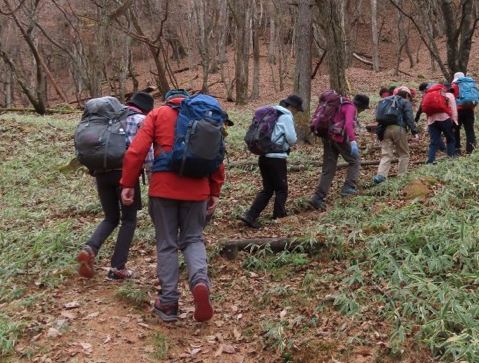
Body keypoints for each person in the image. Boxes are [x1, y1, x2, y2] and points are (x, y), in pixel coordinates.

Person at [119, 89, 225, 323]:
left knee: (166, 243)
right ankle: (199, 280)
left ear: (168, 99)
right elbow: (218, 157)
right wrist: (214, 190)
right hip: (198, 189)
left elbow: (136, 151)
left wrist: (127, 183)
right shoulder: (204, 117)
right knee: (193, 238)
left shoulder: (157, 115)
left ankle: (168, 303)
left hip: (163, 189)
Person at [76, 91, 154, 281]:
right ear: (147, 109)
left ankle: (90, 248)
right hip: (125, 175)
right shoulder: (140, 119)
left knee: (110, 217)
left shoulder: (110, 118)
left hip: (101, 173)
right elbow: (148, 152)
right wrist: (153, 180)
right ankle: (118, 267)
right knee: (128, 220)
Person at [238, 94, 303, 229]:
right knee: (281, 189)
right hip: (277, 158)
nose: (296, 112)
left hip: (264, 156)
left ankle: (250, 215)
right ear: (291, 107)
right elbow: (291, 139)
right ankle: (279, 217)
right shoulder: (286, 117)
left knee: (267, 189)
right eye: (297, 109)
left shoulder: (272, 114)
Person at [307, 93, 370, 212]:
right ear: (360, 107)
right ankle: (348, 187)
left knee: (328, 168)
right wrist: (353, 141)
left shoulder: (341, 105)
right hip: (338, 138)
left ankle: (317, 197)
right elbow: (348, 124)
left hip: (327, 137)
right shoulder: (351, 107)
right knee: (355, 161)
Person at [373, 86, 418, 184]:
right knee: (404, 153)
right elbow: (409, 117)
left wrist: (377, 133)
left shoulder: (385, 100)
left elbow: (378, 117)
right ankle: (401, 177)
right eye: (409, 97)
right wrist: (414, 131)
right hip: (399, 128)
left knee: (386, 154)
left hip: (384, 129)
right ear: (407, 95)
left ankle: (381, 175)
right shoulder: (405, 102)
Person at [420, 83, 458, 164]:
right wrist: (455, 122)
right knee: (450, 139)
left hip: (432, 121)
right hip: (445, 118)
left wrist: (427, 125)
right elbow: (453, 109)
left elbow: (427, 112)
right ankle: (450, 159)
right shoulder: (448, 95)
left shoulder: (428, 95)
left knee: (434, 142)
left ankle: (430, 160)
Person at [451, 72, 477, 155]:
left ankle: (457, 150)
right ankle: (470, 149)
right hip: (470, 110)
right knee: (469, 129)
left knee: (456, 130)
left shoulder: (454, 86)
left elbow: (451, 99)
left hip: (458, 110)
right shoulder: (471, 84)